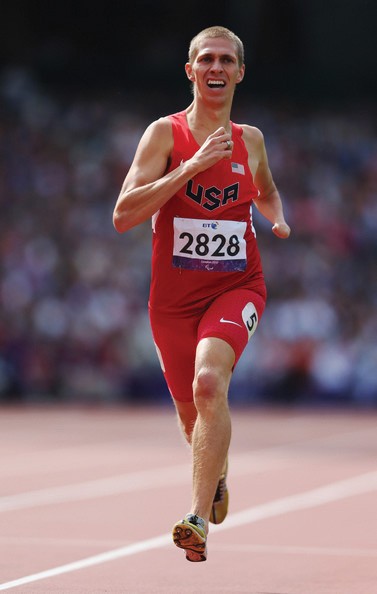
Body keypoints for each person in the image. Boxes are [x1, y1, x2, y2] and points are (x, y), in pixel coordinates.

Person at [113, 25, 290, 562]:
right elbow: (123, 215)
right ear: (191, 71)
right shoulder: (163, 136)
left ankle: (196, 519)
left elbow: (267, 188)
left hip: (237, 287)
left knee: (210, 381)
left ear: (240, 72)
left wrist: (277, 219)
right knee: (192, 417)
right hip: (172, 301)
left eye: (226, 60)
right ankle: (216, 478)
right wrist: (188, 168)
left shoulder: (251, 139)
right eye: (206, 59)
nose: (216, 68)